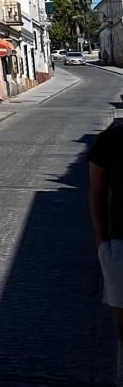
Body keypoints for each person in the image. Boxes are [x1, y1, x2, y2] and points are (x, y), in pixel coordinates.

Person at [87, 117, 123, 345]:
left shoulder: (110, 139)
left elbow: (97, 193)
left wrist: (100, 239)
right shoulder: (110, 140)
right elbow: (97, 193)